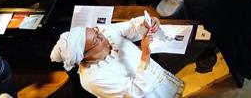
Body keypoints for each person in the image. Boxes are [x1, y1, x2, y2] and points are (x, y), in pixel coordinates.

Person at [50, 16, 184, 98]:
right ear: (84, 55)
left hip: (154, 78)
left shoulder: (102, 33)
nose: (101, 35)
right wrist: (145, 54)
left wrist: (146, 23)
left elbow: (131, 27)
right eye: (96, 39)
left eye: (95, 31)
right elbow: (135, 92)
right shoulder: (93, 79)